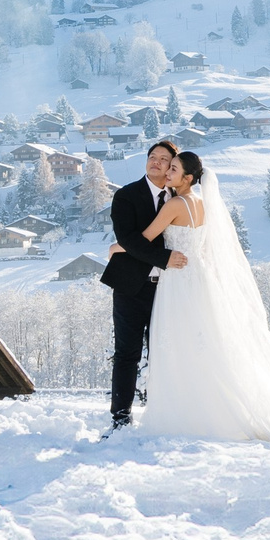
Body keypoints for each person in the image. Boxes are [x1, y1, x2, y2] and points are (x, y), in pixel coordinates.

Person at [130, 151, 270, 443]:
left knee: (178, 342)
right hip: (200, 277)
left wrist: (118, 247)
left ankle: (185, 413)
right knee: (204, 342)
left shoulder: (175, 204)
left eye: (173, 169)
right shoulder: (201, 204)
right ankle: (212, 410)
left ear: (187, 178)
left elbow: (146, 237)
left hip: (177, 279)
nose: (168, 173)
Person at [98, 140, 185, 431]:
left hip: (170, 289)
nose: (155, 162)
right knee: (127, 353)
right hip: (131, 288)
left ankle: (164, 414)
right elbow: (129, 239)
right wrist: (164, 257)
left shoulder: (181, 198)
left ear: (173, 166)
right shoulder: (126, 196)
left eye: (163, 159)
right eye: (152, 157)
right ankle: (120, 418)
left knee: (166, 352)